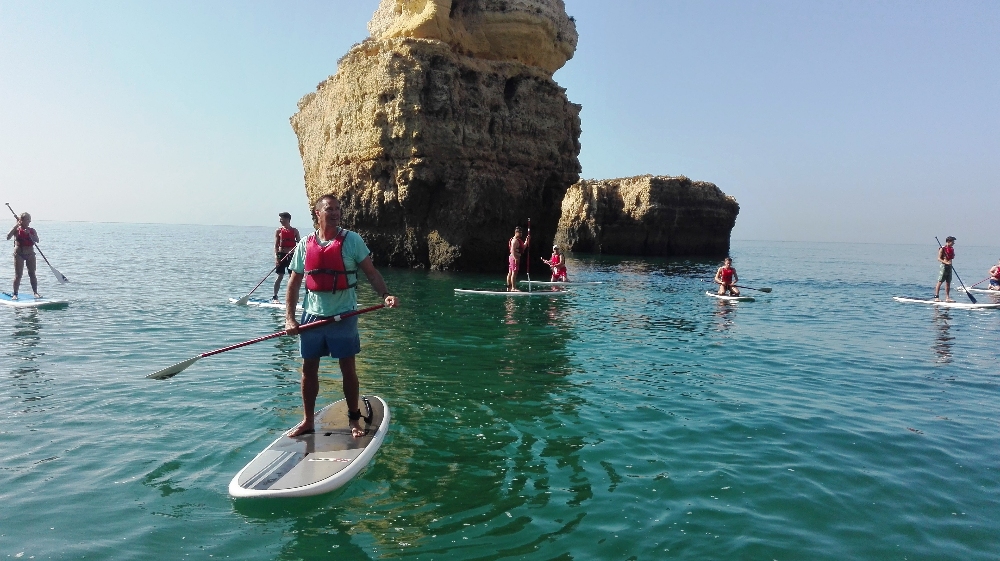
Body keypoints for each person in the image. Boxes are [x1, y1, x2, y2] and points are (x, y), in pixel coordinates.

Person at [284, 194, 399, 438]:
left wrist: (385, 294)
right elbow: (293, 284)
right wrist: (290, 319)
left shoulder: (352, 240)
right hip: (313, 317)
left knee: (348, 368)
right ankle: (307, 421)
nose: (335, 213)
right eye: (329, 209)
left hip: (344, 316)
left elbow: (371, 272)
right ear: (318, 213)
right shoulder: (305, 244)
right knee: (308, 369)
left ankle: (354, 420)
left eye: (338, 209)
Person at [6, 212, 40, 300]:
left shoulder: (32, 230)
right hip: (19, 254)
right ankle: (15, 294)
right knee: (18, 275)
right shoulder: (16, 230)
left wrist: (30, 234)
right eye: (27, 219)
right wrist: (15, 226)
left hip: (30, 254)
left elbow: (37, 240)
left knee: (32, 273)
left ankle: (35, 293)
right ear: (22, 221)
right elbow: (8, 237)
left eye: (30, 219)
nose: (29, 221)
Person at [272, 212, 300, 302]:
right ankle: (275, 296)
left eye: (282, 218)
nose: (280, 220)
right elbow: (276, 245)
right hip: (281, 254)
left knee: (291, 277)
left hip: (292, 255)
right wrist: (277, 258)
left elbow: (300, 243)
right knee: (280, 276)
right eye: (280, 219)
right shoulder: (278, 231)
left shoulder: (295, 231)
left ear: (288, 219)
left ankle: (291, 296)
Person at [506, 226, 530, 291]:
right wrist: (515, 258)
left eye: (521, 232)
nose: (521, 234)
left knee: (511, 272)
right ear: (516, 232)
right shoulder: (514, 241)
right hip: (514, 258)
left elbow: (523, 248)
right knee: (514, 272)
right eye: (520, 232)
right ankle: (513, 288)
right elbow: (512, 250)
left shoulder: (518, 240)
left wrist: (526, 241)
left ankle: (509, 286)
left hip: (512, 257)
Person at [934, 236, 956, 302]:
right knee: (940, 281)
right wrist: (946, 262)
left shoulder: (952, 249)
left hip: (950, 267)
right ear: (948, 242)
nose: (953, 243)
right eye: (952, 242)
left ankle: (947, 298)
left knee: (948, 282)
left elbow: (952, 257)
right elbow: (938, 258)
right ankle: (936, 297)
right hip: (944, 267)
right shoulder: (942, 249)